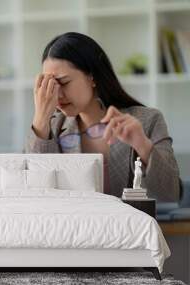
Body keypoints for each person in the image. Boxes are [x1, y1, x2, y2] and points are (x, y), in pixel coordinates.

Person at [25, 32, 180, 202]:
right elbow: (34, 194)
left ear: (92, 77)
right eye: (51, 86)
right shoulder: (50, 129)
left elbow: (171, 194)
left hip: (128, 227)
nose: (58, 95)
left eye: (63, 82)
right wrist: (40, 118)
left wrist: (142, 144)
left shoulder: (148, 120)